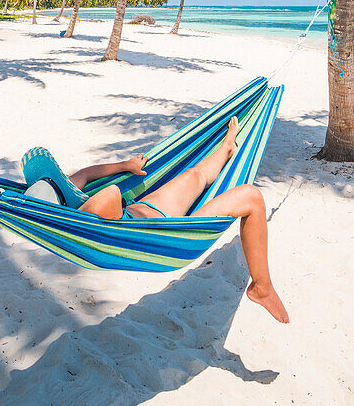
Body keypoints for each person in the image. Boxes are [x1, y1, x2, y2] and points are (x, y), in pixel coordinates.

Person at [68, 116, 289, 324]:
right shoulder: (50, 213)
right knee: (251, 197)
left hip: (153, 213)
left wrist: (125, 166)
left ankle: (226, 148)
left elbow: (85, 175)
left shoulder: (62, 189)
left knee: (196, 175)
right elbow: (107, 193)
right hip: (146, 236)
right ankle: (262, 288)